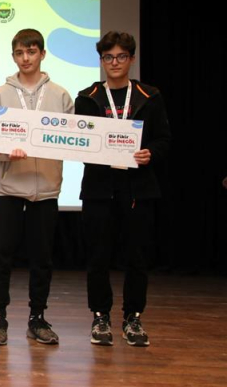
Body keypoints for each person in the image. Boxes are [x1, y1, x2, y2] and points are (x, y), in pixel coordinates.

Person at [75, 31, 170, 347]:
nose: (114, 62)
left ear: (131, 59)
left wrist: (151, 153)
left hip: (138, 189)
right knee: (97, 257)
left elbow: (164, 139)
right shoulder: (87, 97)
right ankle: (100, 316)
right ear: (101, 61)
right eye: (108, 57)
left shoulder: (149, 96)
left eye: (120, 56)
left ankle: (133, 318)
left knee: (137, 257)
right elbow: (79, 142)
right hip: (99, 188)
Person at [0, 28, 73, 346]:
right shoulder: (1, 94)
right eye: (20, 53)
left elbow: (73, 139)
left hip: (45, 188)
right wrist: (6, 151)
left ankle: (38, 318)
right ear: (13, 56)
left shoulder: (60, 95)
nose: (26, 58)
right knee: (1, 256)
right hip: (7, 188)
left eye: (31, 52)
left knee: (42, 258)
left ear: (42, 54)